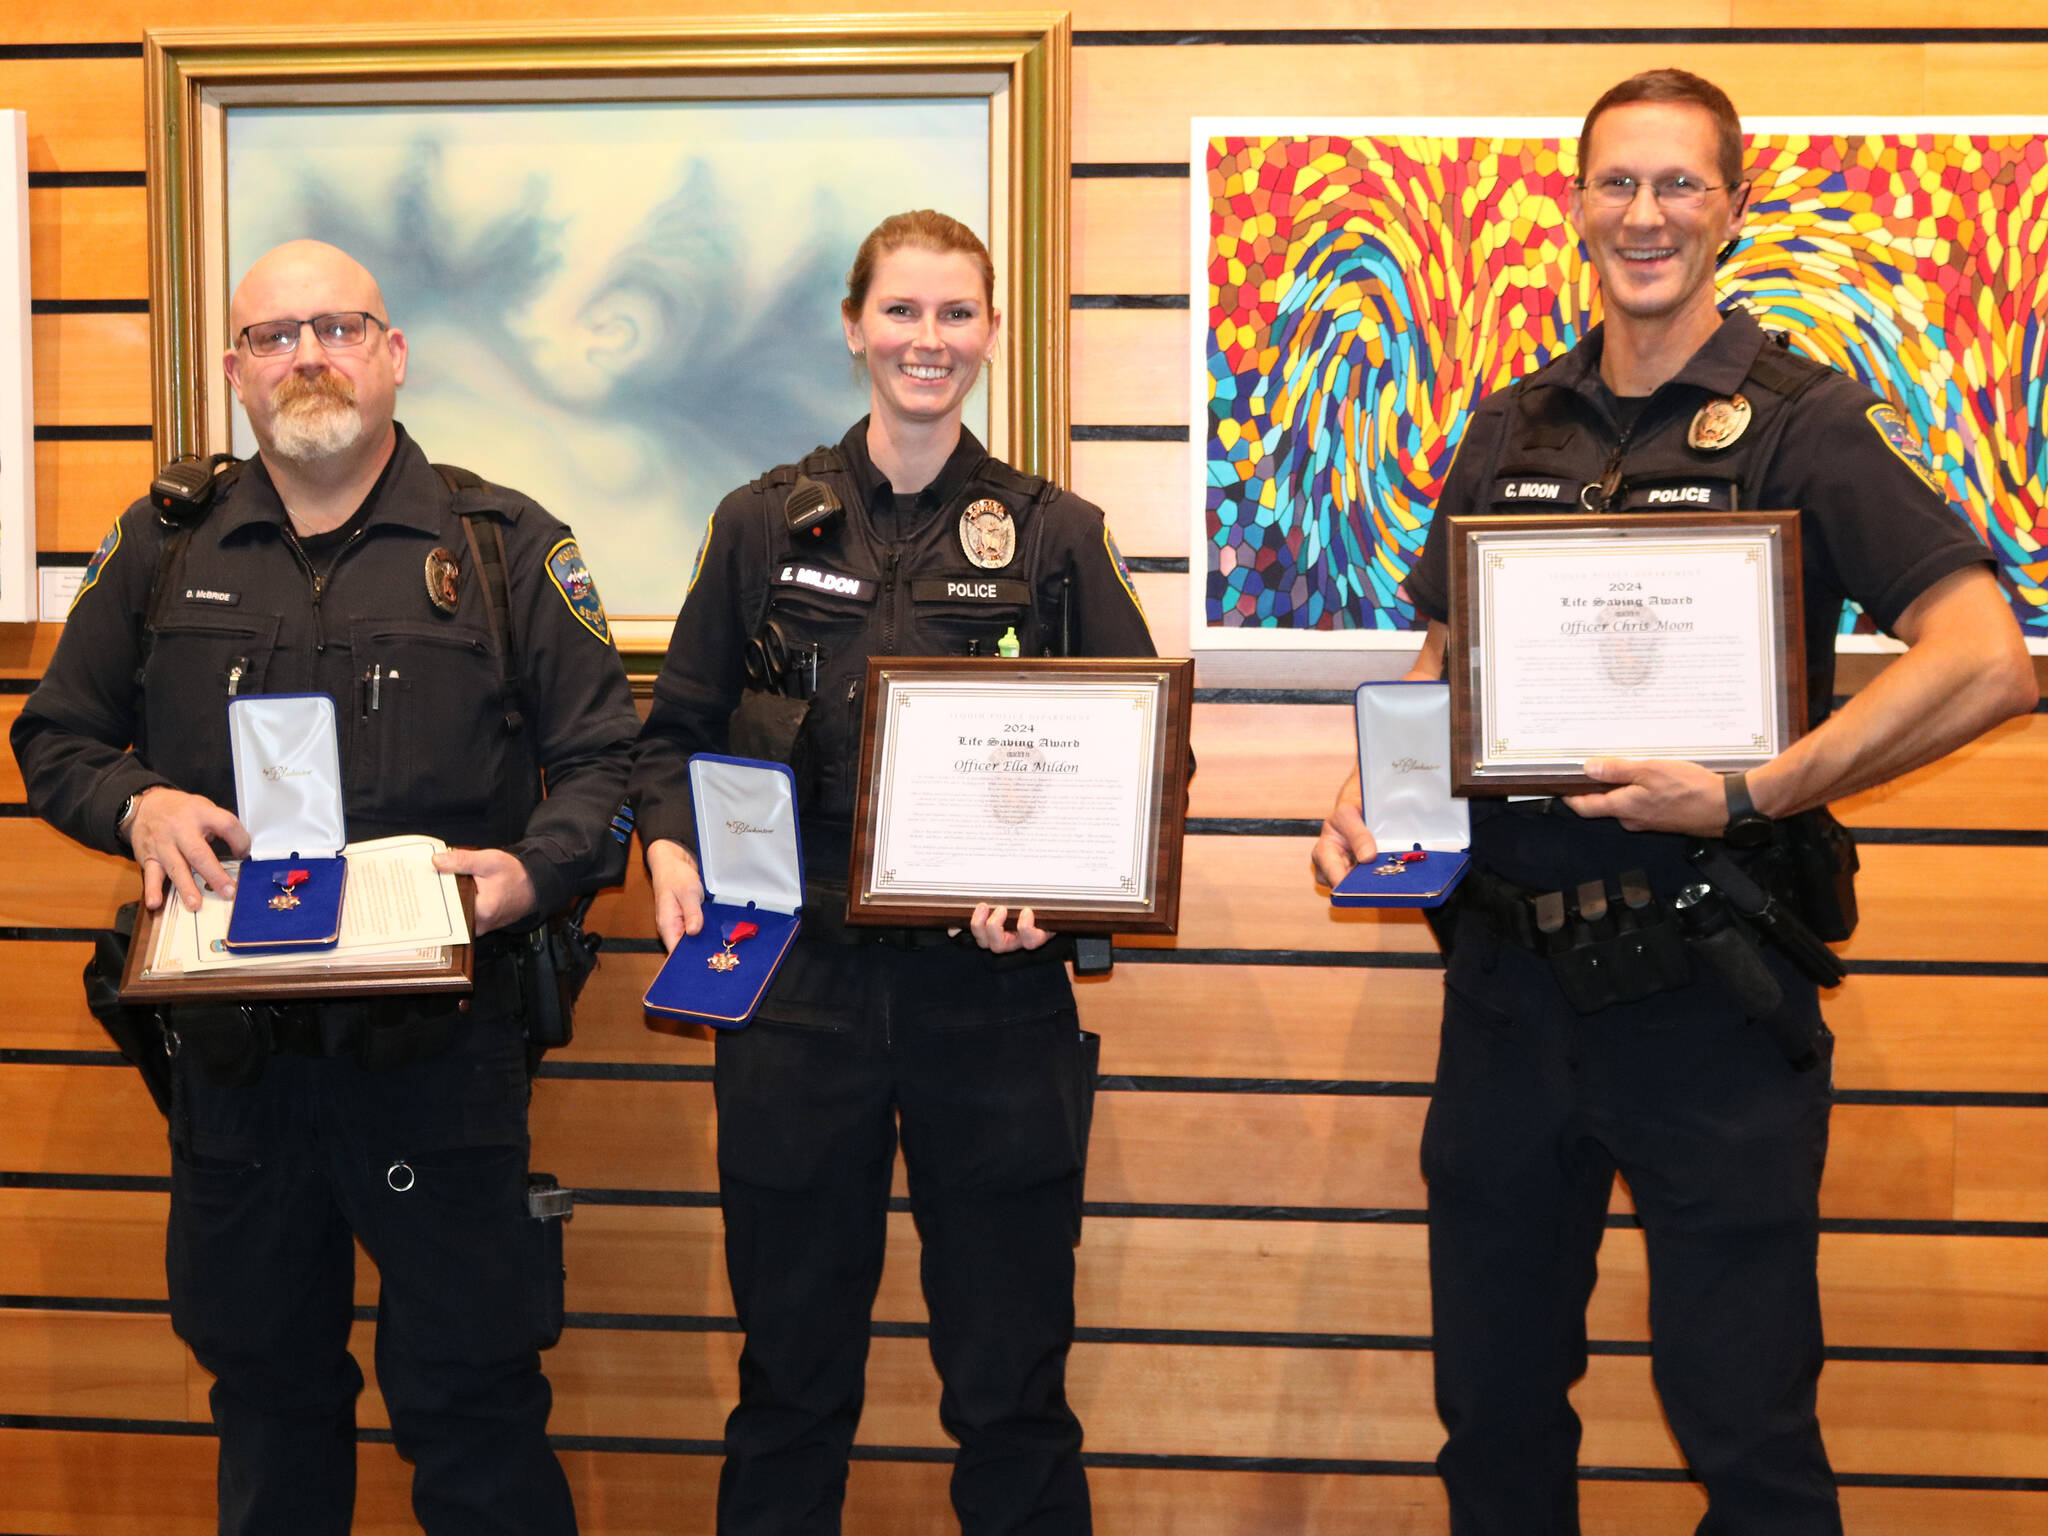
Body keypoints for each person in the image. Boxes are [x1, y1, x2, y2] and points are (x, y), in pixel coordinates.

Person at [1311, 70, 2036, 1536]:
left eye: (1679, 185)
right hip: (1506, 999)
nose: (1645, 215)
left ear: (1731, 207)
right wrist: (1373, 788)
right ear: (1576, 204)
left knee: (1745, 1434)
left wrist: (1753, 789)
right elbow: (1445, 654)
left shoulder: (1805, 425)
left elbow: (1987, 661)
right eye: (1617, 184)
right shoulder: (1506, 426)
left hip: (1710, 991)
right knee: (1495, 1427)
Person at [12, 239, 641, 1535]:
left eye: (338, 328)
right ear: (236, 370)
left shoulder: (505, 541)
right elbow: (55, 738)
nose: (308, 356)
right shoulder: (161, 544)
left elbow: (601, 765)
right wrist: (140, 803)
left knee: (471, 1405)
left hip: (438, 1054)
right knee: (268, 1400)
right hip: (235, 1066)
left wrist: (529, 873)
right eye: (275, 336)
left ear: (392, 353)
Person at [631, 209, 1156, 1535]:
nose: (930, 339)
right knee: (790, 1385)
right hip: (797, 997)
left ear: (992, 332)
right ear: (856, 326)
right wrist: (667, 844)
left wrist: (1063, 896)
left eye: (957, 313)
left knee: (1011, 1391)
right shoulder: (759, 525)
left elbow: (1143, 766)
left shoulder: (1056, 537)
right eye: (904, 312)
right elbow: (670, 736)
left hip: (993, 1005)